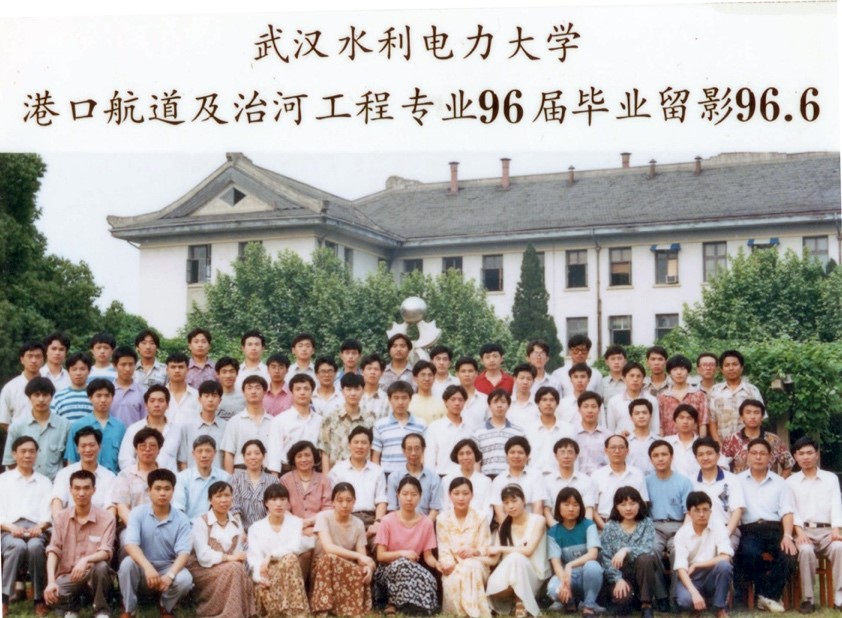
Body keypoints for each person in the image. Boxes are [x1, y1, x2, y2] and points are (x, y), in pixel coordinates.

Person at [118, 468, 193, 618]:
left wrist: (170, 575)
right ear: (149, 491)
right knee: (127, 564)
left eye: (167, 489)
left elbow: (184, 553)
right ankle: (129, 609)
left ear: (173, 491)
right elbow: (131, 544)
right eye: (158, 488)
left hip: (167, 566)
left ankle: (165, 605)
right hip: (142, 566)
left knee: (185, 579)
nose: (162, 493)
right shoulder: (137, 513)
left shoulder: (182, 519)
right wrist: (147, 567)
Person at [44, 469, 116, 618]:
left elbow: (106, 551)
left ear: (94, 490)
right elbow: (53, 550)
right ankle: (72, 608)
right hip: (68, 576)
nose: (81, 493)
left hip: (93, 575)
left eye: (86, 488)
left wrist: (85, 560)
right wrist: (51, 582)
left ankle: (101, 611)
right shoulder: (61, 518)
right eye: (77, 488)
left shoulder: (107, 518)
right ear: (70, 490)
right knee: (55, 592)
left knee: (101, 567)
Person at [736, 437, 797, 612]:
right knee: (749, 553)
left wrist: (787, 535)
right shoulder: (737, 481)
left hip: (774, 528)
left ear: (770, 457)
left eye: (763, 453)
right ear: (747, 456)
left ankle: (767, 596)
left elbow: (787, 511)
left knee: (790, 554)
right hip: (749, 530)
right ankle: (767, 596)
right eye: (754, 453)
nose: (758, 457)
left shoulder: (780, 482)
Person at [787, 436, 842, 612]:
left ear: (817, 454)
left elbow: (836, 504)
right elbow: (791, 509)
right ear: (795, 456)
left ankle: (840, 598)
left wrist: (836, 529)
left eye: (810, 453)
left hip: (827, 531)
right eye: (801, 453)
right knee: (805, 550)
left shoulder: (830, 478)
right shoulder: (790, 482)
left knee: (839, 547)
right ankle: (808, 599)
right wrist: (799, 532)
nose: (806, 457)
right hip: (803, 531)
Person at [0, 436, 52, 617]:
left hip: (37, 529)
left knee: (36, 547)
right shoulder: (3, 480)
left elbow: (48, 513)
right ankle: (3, 599)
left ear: (37, 454)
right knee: (17, 546)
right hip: (9, 529)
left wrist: (41, 527)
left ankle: (39, 599)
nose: (27, 455)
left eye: (31, 451)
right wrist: (10, 528)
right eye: (23, 451)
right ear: (14, 454)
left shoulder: (44, 481)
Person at [187, 480, 255, 618]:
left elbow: (238, 554)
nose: (223, 500)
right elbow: (203, 556)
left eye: (227, 495)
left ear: (232, 498)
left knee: (237, 569)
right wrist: (229, 558)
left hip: (229, 569)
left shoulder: (236, 523)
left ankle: (233, 613)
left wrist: (234, 560)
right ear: (210, 500)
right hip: (202, 569)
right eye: (218, 496)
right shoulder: (201, 522)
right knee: (234, 568)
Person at [374, 475, 440, 615]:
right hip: (387, 571)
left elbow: (428, 556)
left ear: (420, 496)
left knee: (429, 579)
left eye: (413, 494)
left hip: (412, 570)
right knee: (402, 564)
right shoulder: (387, 521)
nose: (409, 498)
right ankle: (392, 602)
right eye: (404, 494)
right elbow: (380, 556)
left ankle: (412, 605)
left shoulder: (426, 523)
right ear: (398, 495)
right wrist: (402, 553)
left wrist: (437, 564)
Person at [309, 482, 375, 617]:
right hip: (323, 567)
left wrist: (367, 567)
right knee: (329, 558)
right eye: (340, 501)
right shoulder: (323, 517)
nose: (344, 505)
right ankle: (323, 607)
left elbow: (362, 556)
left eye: (349, 501)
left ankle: (345, 607)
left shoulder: (358, 524)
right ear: (333, 502)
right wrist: (359, 556)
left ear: (354, 502)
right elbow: (328, 548)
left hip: (346, 567)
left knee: (362, 572)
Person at [599, 486, 665, 618]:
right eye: (623, 504)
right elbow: (605, 558)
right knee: (623, 599)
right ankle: (626, 600)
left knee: (646, 558)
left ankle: (646, 605)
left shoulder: (646, 523)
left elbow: (647, 547)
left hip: (641, 574)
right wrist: (618, 579)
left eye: (632, 503)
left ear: (639, 504)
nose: (628, 508)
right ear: (616, 507)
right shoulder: (610, 526)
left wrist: (626, 550)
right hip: (619, 575)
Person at [486, 484, 550, 617]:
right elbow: (494, 559)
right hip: (510, 578)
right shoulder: (503, 527)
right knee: (511, 563)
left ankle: (521, 603)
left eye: (514, 501)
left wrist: (500, 548)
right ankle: (512, 600)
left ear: (524, 500)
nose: (510, 506)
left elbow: (528, 550)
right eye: (506, 503)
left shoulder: (538, 520)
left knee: (517, 557)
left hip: (534, 575)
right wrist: (474, 555)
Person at [246, 484, 310, 617]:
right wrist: (259, 578)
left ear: (288, 502)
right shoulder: (256, 528)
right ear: (266, 503)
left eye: (282, 499)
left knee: (290, 559)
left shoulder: (295, 523)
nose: (278, 504)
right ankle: (285, 611)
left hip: (289, 570)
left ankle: (296, 612)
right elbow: (254, 558)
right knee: (287, 563)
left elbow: (295, 546)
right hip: (266, 573)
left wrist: (271, 555)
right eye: (274, 499)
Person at [437, 476, 495, 617]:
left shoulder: (480, 517)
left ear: (472, 495)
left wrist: (474, 552)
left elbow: (486, 547)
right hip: (453, 567)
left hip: (477, 566)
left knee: (470, 565)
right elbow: (444, 550)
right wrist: (449, 565)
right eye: (456, 493)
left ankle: (473, 613)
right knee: (455, 577)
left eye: (465, 493)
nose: (461, 498)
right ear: (450, 495)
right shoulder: (442, 519)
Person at [673, 491, 734, 618]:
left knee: (724, 566)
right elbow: (681, 568)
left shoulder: (718, 526)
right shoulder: (682, 534)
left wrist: (698, 565)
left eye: (705, 510)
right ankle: (699, 602)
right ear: (689, 513)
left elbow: (726, 556)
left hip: (712, 574)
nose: (701, 514)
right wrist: (694, 593)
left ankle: (720, 608)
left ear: (710, 511)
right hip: (692, 577)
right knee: (685, 601)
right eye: (697, 510)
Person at [546, 487, 604, 616]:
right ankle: (570, 601)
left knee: (593, 566)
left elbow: (593, 554)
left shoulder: (588, 525)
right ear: (558, 506)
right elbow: (556, 564)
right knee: (553, 589)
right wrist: (564, 583)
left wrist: (569, 565)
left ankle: (589, 605)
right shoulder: (553, 531)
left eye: (575, 505)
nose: (571, 509)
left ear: (580, 507)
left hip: (587, 575)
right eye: (566, 504)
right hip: (569, 576)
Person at [280, 440, 332, 578]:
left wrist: (310, 524)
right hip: (293, 530)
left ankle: (317, 589)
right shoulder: (285, 480)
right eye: (299, 456)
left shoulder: (324, 480)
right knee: (302, 554)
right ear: (293, 459)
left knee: (322, 548)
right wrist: (299, 526)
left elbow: (328, 509)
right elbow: (283, 509)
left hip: (318, 530)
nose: (304, 459)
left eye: (307, 455)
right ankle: (298, 590)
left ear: (314, 457)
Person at [328, 426, 388, 543]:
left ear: (370, 446)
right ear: (349, 445)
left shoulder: (377, 470)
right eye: (356, 442)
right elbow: (333, 502)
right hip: (346, 519)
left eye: (364, 443)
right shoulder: (337, 470)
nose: (360, 446)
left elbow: (381, 500)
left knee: (380, 543)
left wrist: (377, 523)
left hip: (371, 520)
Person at [111, 428, 164, 559]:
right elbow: (122, 508)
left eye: (152, 446)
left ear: (159, 450)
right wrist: (139, 528)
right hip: (131, 527)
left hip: (161, 526)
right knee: (127, 542)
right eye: (142, 446)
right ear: (136, 449)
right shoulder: (125, 475)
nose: (147, 449)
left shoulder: (166, 475)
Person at [3, 377, 69, 481]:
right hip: (25, 485)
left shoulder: (65, 425)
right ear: (29, 397)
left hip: (54, 485)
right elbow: (10, 461)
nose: (41, 399)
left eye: (45, 395)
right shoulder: (17, 426)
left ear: (52, 397)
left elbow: (68, 461)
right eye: (36, 395)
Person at [645, 440, 692, 582]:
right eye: (656, 455)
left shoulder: (684, 482)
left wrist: (683, 533)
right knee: (650, 551)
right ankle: (660, 593)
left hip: (678, 526)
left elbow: (689, 512)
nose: (660, 459)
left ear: (671, 457)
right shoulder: (645, 482)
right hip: (655, 527)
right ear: (651, 459)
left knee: (678, 551)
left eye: (664, 454)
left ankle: (675, 593)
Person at [692, 436, 745, 551]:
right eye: (700, 454)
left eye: (709, 453)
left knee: (721, 555)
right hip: (700, 532)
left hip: (727, 530)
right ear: (696, 458)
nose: (705, 458)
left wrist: (725, 534)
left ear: (718, 455)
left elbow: (737, 510)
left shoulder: (732, 479)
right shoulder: (691, 481)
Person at [52, 426, 116, 519]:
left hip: (99, 524)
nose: (88, 450)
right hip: (69, 523)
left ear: (99, 446)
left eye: (92, 445)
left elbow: (110, 508)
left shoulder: (109, 477)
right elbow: (57, 502)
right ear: (77, 449)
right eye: (83, 446)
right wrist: (61, 523)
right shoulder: (64, 474)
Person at [65, 378, 126, 473]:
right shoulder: (78, 425)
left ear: (112, 397)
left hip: (113, 478)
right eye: (98, 396)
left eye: (107, 396)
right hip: (85, 478)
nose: (103, 400)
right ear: (90, 398)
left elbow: (124, 460)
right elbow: (71, 459)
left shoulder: (120, 427)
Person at [267, 374, 324, 475]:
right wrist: (275, 477)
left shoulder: (320, 421)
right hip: (287, 471)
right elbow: (274, 452)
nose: (302, 392)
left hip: (314, 472)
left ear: (312, 392)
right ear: (291, 392)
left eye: (306, 389)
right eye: (298, 389)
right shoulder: (279, 420)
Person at [721, 399, 794, 476]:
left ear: (762, 417)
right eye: (748, 412)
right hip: (740, 483)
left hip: (768, 482)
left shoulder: (774, 440)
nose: (752, 416)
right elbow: (722, 466)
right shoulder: (731, 440)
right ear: (741, 417)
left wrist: (779, 481)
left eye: (756, 413)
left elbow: (788, 464)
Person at [591, 434, 649, 530]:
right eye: (613, 447)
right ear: (606, 450)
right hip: (604, 525)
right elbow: (593, 508)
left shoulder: (637, 473)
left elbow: (643, 504)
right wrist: (606, 528)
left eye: (621, 447)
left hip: (632, 526)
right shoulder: (597, 475)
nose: (617, 451)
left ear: (627, 451)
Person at [320, 372, 375, 469]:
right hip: (336, 472)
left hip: (363, 472)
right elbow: (325, 450)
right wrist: (326, 476)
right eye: (348, 389)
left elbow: (374, 449)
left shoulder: (370, 419)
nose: (353, 393)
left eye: (357, 389)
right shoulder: (330, 418)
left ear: (363, 391)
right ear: (342, 391)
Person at [118, 384, 178, 472]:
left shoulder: (177, 429)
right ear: (146, 405)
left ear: (168, 405)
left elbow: (182, 460)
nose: (156, 405)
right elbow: (125, 460)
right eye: (152, 401)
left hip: (170, 478)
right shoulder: (134, 429)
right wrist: (138, 476)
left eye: (161, 401)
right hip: (139, 478)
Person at [372, 380, 427, 476]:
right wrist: (378, 477)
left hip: (413, 474)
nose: (400, 402)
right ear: (389, 399)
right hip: (387, 474)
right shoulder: (379, 425)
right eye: (396, 398)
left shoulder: (421, 424)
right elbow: (375, 457)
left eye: (404, 398)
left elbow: (424, 453)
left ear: (410, 399)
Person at [220, 375, 273, 473]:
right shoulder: (234, 421)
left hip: (267, 473)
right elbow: (229, 453)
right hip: (240, 472)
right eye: (249, 388)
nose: (253, 391)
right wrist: (230, 479)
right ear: (243, 392)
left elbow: (276, 454)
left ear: (265, 392)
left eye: (257, 388)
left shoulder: (273, 422)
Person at [708, 350, 763, 444]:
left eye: (735, 364)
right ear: (721, 369)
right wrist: (718, 444)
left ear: (741, 367)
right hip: (722, 444)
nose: (731, 368)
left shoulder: (752, 390)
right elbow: (712, 421)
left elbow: (760, 418)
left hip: (749, 445)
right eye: (727, 365)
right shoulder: (714, 391)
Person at [386, 433, 442, 520]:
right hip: (400, 524)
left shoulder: (434, 478)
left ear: (423, 449)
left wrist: (424, 525)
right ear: (403, 451)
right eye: (409, 449)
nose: (413, 453)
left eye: (417, 448)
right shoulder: (394, 478)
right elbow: (393, 509)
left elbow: (435, 509)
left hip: (426, 524)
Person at [490, 436, 546, 524]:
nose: (516, 456)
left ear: (527, 456)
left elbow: (538, 507)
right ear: (506, 455)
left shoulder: (536, 476)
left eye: (520, 452)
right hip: (507, 526)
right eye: (512, 452)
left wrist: (531, 528)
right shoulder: (499, 480)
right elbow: (499, 512)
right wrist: (509, 529)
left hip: (532, 525)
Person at [173, 436, 230, 519]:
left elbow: (230, 506)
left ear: (215, 453)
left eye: (208, 451)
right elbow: (178, 508)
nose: (204, 455)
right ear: (193, 454)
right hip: (190, 524)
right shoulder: (182, 477)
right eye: (199, 451)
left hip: (218, 524)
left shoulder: (224, 477)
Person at [175, 379, 227, 470]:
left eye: (214, 396)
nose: (210, 400)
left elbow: (227, 457)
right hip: (192, 477)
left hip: (219, 477)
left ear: (220, 400)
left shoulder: (226, 426)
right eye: (206, 396)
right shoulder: (187, 426)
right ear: (199, 399)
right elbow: (182, 460)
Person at [473, 388, 524, 478]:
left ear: (509, 405)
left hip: (510, 477)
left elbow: (523, 459)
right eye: (495, 402)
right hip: (486, 478)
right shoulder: (478, 432)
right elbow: (476, 461)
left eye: (503, 402)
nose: (499, 405)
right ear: (489, 405)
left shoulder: (518, 432)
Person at [543, 437, 596, 525]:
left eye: (570, 452)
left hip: (580, 526)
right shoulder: (547, 481)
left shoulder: (586, 480)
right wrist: (556, 528)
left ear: (576, 456)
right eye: (562, 452)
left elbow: (588, 508)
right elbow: (546, 510)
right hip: (555, 526)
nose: (566, 456)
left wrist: (584, 528)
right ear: (556, 456)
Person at [425, 384, 476, 475]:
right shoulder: (435, 427)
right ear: (445, 402)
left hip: (466, 477)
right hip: (442, 475)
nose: (457, 403)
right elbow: (430, 459)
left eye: (460, 400)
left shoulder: (470, 428)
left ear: (464, 402)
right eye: (453, 399)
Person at [230, 439, 280, 531]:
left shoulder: (273, 481)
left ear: (263, 456)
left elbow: (275, 509)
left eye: (257, 453)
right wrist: (241, 532)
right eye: (248, 454)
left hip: (266, 531)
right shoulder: (235, 479)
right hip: (241, 531)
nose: (253, 457)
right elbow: (234, 508)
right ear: (244, 457)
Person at [440, 439, 493, 520]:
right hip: (452, 525)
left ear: (475, 455)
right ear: (456, 457)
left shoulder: (486, 481)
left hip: (478, 524)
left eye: (469, 453)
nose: (465, 457)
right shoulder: (447, 480)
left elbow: (487, 511)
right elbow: (444, 508)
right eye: (461, 454)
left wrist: (478, 525)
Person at [525, 386, 574, 474]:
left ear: (557, 403)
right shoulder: (529, 429)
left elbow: (574, 456)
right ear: (537, 403)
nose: (548, 403)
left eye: (552, 400)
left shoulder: (567, 429)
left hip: (560, 476)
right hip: (535, 476)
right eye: (544, 400)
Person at [658, 354, 709, 437]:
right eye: (675, 369)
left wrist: (701, 442)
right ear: (670, 373)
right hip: (669, 441)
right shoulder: (663, 397)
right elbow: (660, 425)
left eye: (682, 369)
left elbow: (702, 423)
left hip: (693, 441)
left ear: (688, 372)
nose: (679, 373)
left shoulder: (699, 395)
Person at [0, 342, 46, 432]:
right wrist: (17, 435)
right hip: (19, 438)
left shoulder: (50, 386)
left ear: (43, 360)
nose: (34, 360)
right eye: (30, 356)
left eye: (38, 356)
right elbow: (3, 420)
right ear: (22, 360)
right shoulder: (10, 388)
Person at [605, 362, 660, 436]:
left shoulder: (652, 400)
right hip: (621, 441)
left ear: (643, 379)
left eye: (639, 376)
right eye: (631, 376)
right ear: (624, 378)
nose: (635, 379)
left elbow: (655, 429)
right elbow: (611, 430)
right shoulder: (614, 401)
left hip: (645, 441)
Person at [572, 391, 611, 475]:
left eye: (593, 407)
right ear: (579, 410)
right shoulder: (571, 433)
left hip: (602, 478)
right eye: (585, 407)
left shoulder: (608, 435)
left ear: (599, 410)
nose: (589, 410)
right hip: (578, 478)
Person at [50, 351, 93, 423]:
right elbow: (53, 421)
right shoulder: (59, 396)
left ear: (89, 371)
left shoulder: (96, 395)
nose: (78, 373)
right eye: (74, 369)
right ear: (68, 371)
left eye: (82, 369)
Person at [110, 346, 146, 427]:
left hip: (136, 434)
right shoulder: (107, 391)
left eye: (131, 364)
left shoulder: (143, 392)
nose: (127, 369)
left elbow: (145, 420)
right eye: (123, 364)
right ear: (114, 366)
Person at [665, 404, 702, 479]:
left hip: (697, 484)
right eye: (681, 418)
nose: (685, 421)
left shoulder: (703, 443)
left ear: (695, 423)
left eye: (689, 418)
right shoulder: (666, 442)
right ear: (675, 421)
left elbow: (722, 463)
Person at [163, 352, 200, 424]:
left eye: (181, 367)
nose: (177, 370)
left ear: (187, 370)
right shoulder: (160, 396)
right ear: (167, 370)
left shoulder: (197, 396)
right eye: (173, 367)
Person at [455, 356, 490, 430]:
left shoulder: (485, 399)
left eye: (470, 371)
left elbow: (490, 423)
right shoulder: (450, 399)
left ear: (476, 374)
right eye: (463, 371)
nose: (467, 374)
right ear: (457, 374)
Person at [409, 360, 446, 424]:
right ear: (415, 378)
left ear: (434, 378)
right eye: (423, 375)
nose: (427, 379)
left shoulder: (441, 403)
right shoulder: (409, 402)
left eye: (430, 375)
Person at [626, 399, 657, 474]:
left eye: (644, 413)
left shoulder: (658, 441)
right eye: (637, 413)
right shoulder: (625, 441)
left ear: (650, 416)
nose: (641, 416)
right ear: (631, 417)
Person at [508, 363, 539, 429]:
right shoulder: (507, 403)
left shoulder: (538, 404)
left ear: (533, 381)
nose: (525, 382)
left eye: (529, 379)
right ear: (515, 379)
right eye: (521, 378)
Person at [360, 353, 390, 420]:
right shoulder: (353, 396)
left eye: (376, 369)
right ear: (362, 371)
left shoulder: (387, 399)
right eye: (369, 368)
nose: (372, 372)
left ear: (382, 373)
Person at [214, 356, 246, 421]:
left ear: (237, 373)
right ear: (217, 374)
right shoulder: (211, 397)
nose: (228, 376)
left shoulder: (244, 396)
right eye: (224, 372)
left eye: (231, 371)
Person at [264, 352, 292, 416]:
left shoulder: (293, 394)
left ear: (287, 370)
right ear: (268, 370)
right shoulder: (261, 392)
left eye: (281, 367)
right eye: (273, 367)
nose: (277, 371)